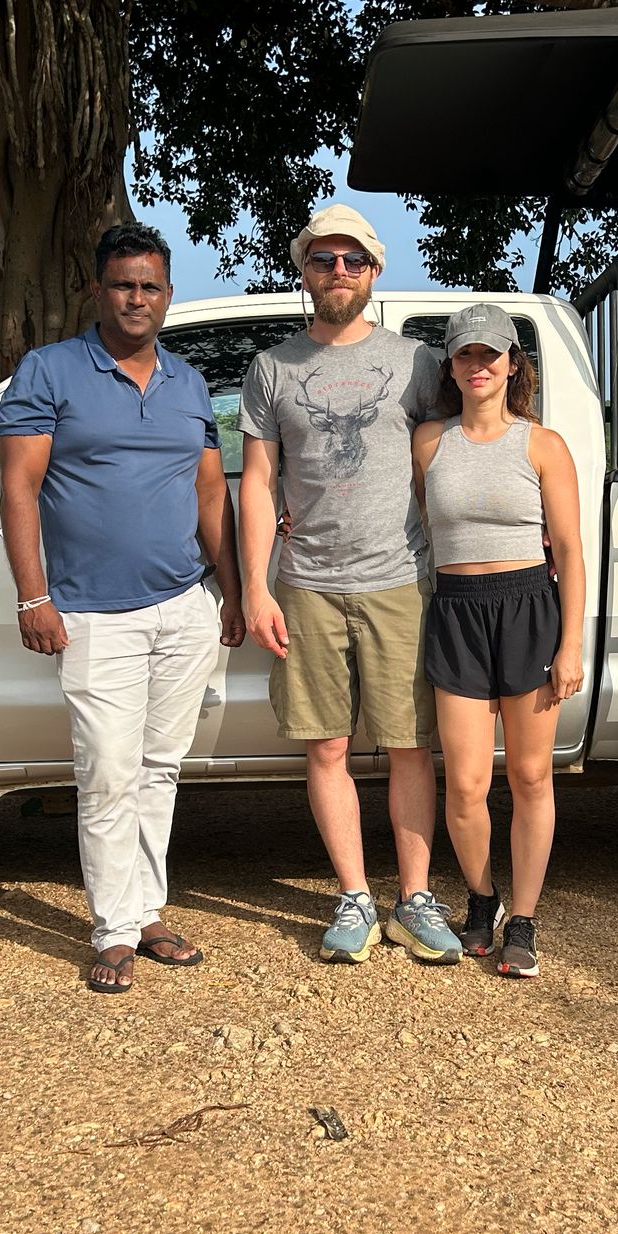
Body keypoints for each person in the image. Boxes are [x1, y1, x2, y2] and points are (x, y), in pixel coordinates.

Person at [0, 222, 246, 994]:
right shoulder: (50, 371)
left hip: (183, 605)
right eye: (123, 284)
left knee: (159, 771)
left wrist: (231, 590)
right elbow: (19, 488)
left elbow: (211, 491)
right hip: (92, 613)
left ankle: (148, 914)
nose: (137, 298)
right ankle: (112, 931)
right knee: (107, 771)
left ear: (168, 296)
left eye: (150, 286)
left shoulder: (188, 382)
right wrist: (33, 596)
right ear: (98, 290)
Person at [238, 203, 458, 966]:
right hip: (307, 584)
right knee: (325, 746)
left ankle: (416, 898)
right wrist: (257, 588)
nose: (338, 272)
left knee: (408, 746)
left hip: (402, 579)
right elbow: (260, 481)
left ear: (374, 271)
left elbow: (451, 459)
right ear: (303, 268)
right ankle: (355, 897)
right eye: (324, 259)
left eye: (353, 260)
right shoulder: (271, 369)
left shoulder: (419, 364)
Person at [411, 304, 584, 979]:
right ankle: (482, 900)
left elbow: (569, 550)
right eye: (464, 356)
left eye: (491, 354)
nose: (478, 366)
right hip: (456, 614)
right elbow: (414, 529)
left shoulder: (542, 445)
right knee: (466, 784)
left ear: (514, 364)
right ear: (450, 368)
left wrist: (570, 645)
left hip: (529, 610)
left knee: (532, 775)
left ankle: (526, 920)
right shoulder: (429, 441)